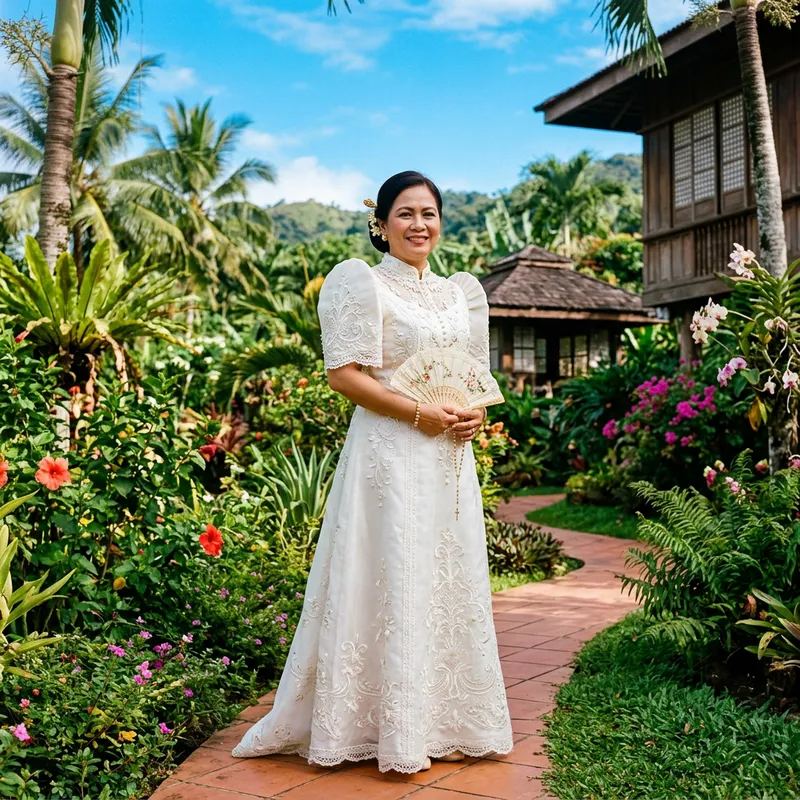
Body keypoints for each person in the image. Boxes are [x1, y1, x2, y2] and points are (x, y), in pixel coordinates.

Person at [231, 170, 513, 774]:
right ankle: (376, 727)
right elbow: (344, 375)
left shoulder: (460, 294)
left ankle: (445, 722)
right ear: (380, 225)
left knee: (445, 577)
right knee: (390, 573)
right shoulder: (362, 284)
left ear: (441, 223)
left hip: (448, 457)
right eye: (405, 214)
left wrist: (471, 416)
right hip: (389, 452)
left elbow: (471, 379)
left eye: (429, 213)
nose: (419, 224)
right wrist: (417, 412)